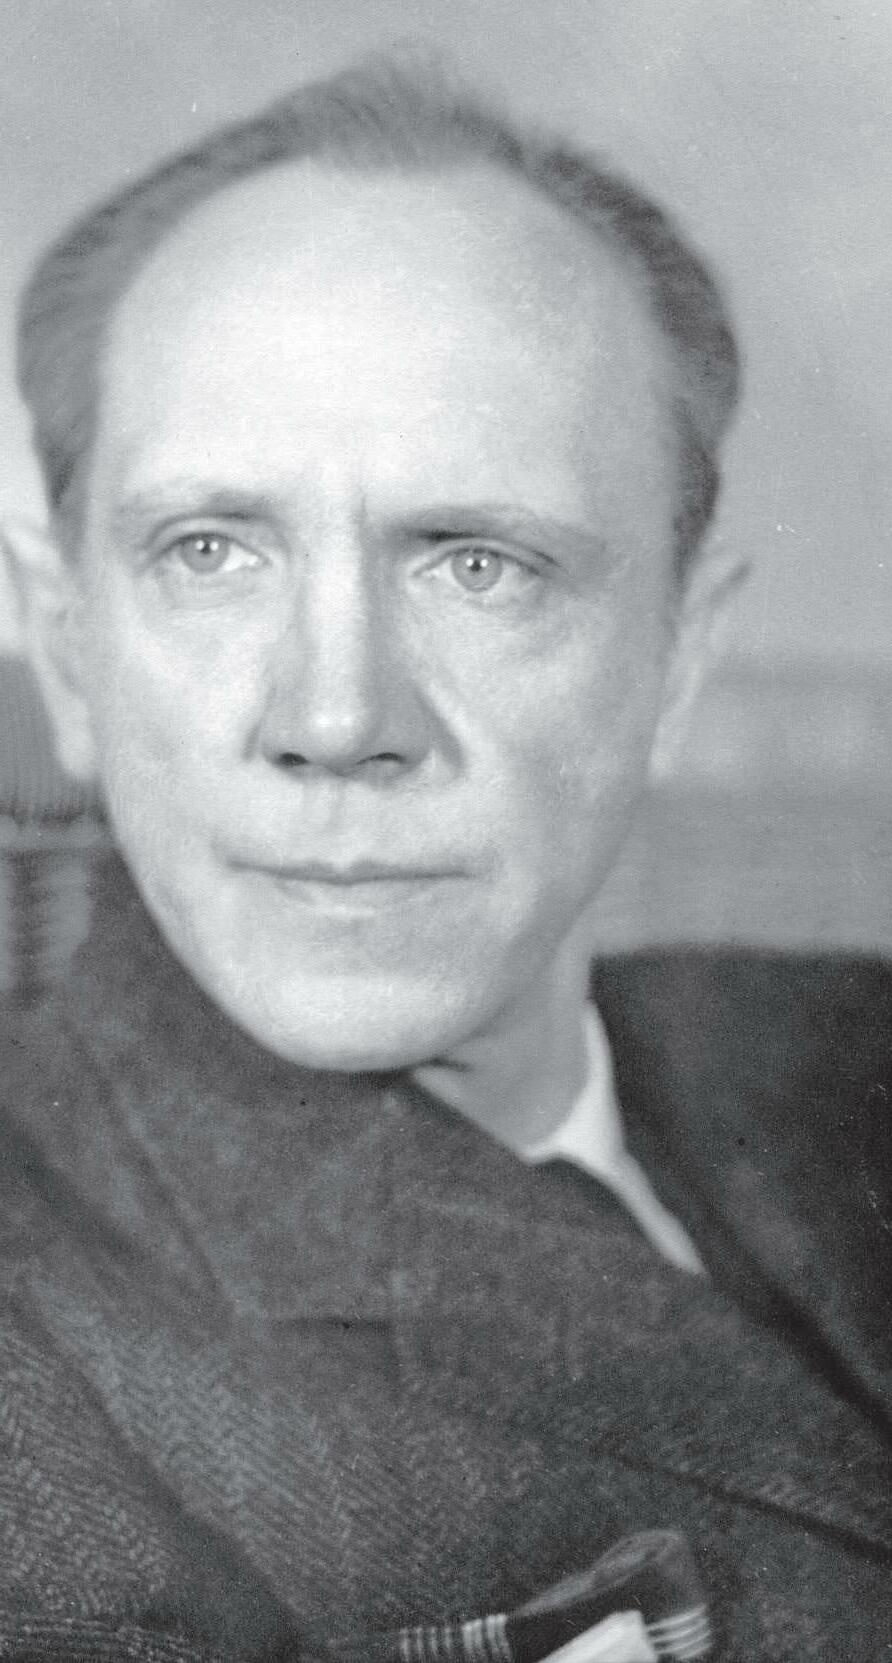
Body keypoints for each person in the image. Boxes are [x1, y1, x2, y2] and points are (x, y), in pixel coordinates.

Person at [1, 52, 889, 1662]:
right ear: (68, 649)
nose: (337, 718)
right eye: (210, 551)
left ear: (681, 655)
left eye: (480, 564)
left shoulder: (841, 1051)